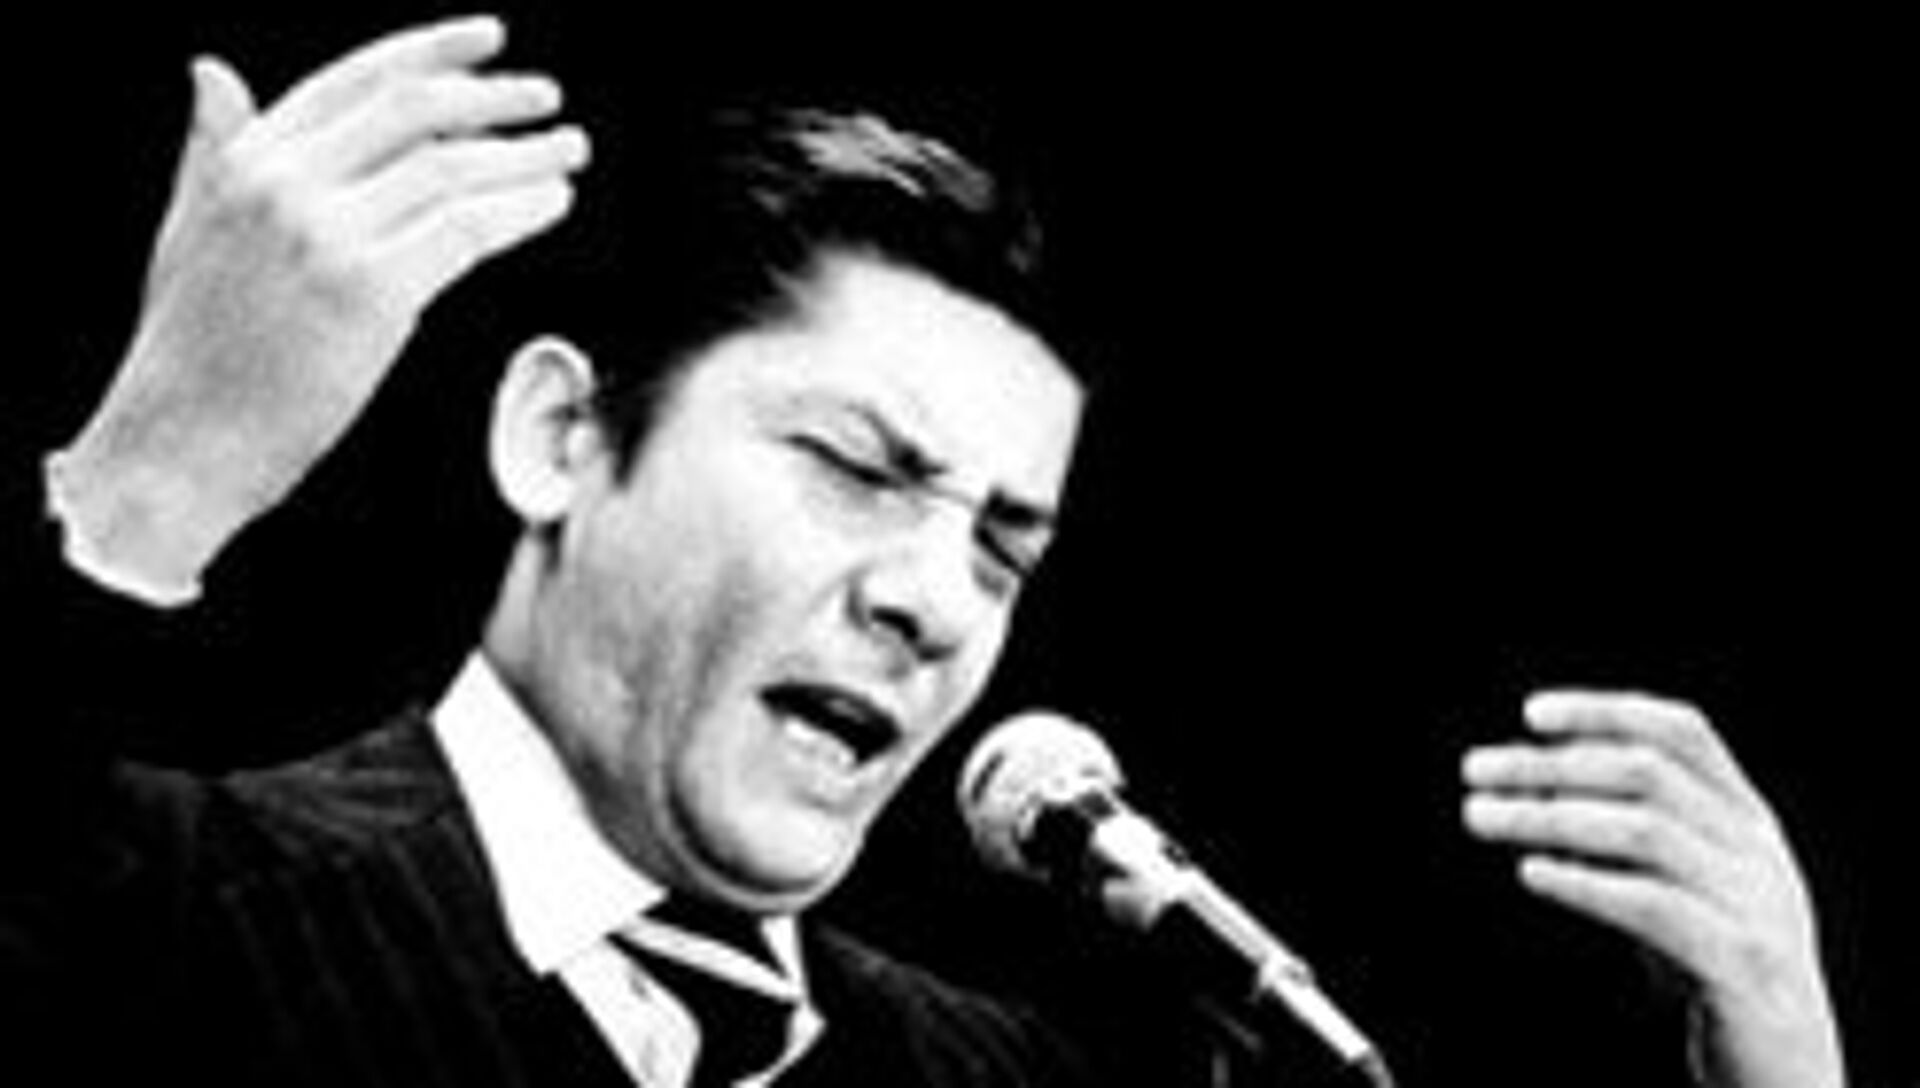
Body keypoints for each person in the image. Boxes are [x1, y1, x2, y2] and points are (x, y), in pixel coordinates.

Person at [3, 13, 1846, 1088]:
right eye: (856, 468)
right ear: (561, 437)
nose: (934, 599)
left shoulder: (1011, 1081)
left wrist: (1781, 1057)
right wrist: (150, 482)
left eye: (1005, 547)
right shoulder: (155, 912)